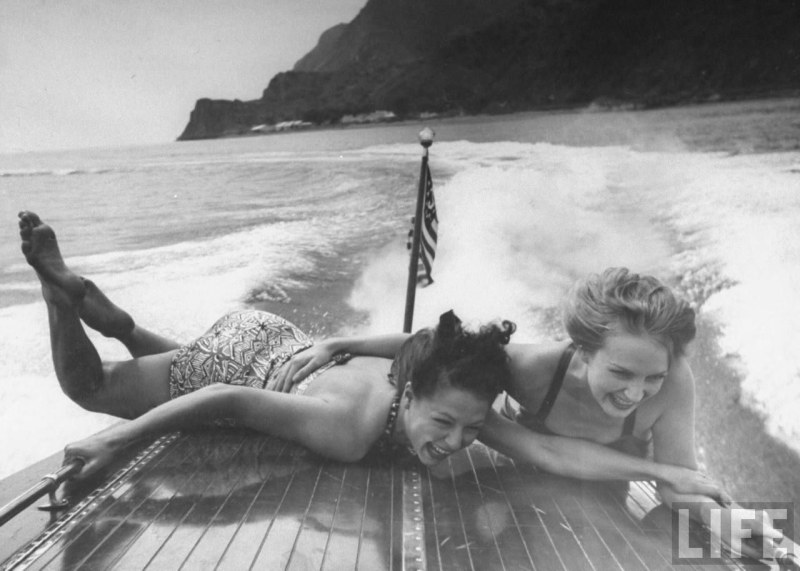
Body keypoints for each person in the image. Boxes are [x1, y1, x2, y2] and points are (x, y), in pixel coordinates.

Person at [19, 211, 724, 499]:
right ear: (408, 393)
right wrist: (116, 438)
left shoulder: (452, 387)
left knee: (185, 364)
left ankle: (120, 322)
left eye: (470, 429)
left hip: (282, 347)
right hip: (239, 361)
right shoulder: (352, 431)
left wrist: (345, 339)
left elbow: (545, 450)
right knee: (90, 385)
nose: (458, 441)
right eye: (445, 425)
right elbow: (229, 398)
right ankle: (63, 297)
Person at [273, 267, 782, 558]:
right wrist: (340, 343)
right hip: (526, 484)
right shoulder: (532, 367)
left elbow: (677, 482)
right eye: (622, 374)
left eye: (653, 377)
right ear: (581, 351)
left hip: (611, 489)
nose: (637, 393)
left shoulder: (673, 384)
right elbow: (439, 346)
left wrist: (732, 523)